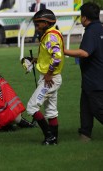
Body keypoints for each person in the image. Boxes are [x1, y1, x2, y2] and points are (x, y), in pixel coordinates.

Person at [63, 2, 103, 142]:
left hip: (95, 79)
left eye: (81, 16)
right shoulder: (101, 29)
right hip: (94, 77)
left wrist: (63, 51)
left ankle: (85, 134)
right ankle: (85, 135)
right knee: (85, 107)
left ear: (85, 18)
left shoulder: (91, 31)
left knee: (99, 109)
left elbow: (84, 53)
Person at [26, 9, 64, 145]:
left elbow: (57, 57)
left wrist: (48, 74)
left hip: (50, 79)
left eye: (38, 23)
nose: (36, 25)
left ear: (47, 22)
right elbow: (50, 55)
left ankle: (49, 136)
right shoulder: (51, 33)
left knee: (31, 107)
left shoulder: (50, 36)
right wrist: (37, 60)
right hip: (52, 77)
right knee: (51, 111)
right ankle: (54, 139)